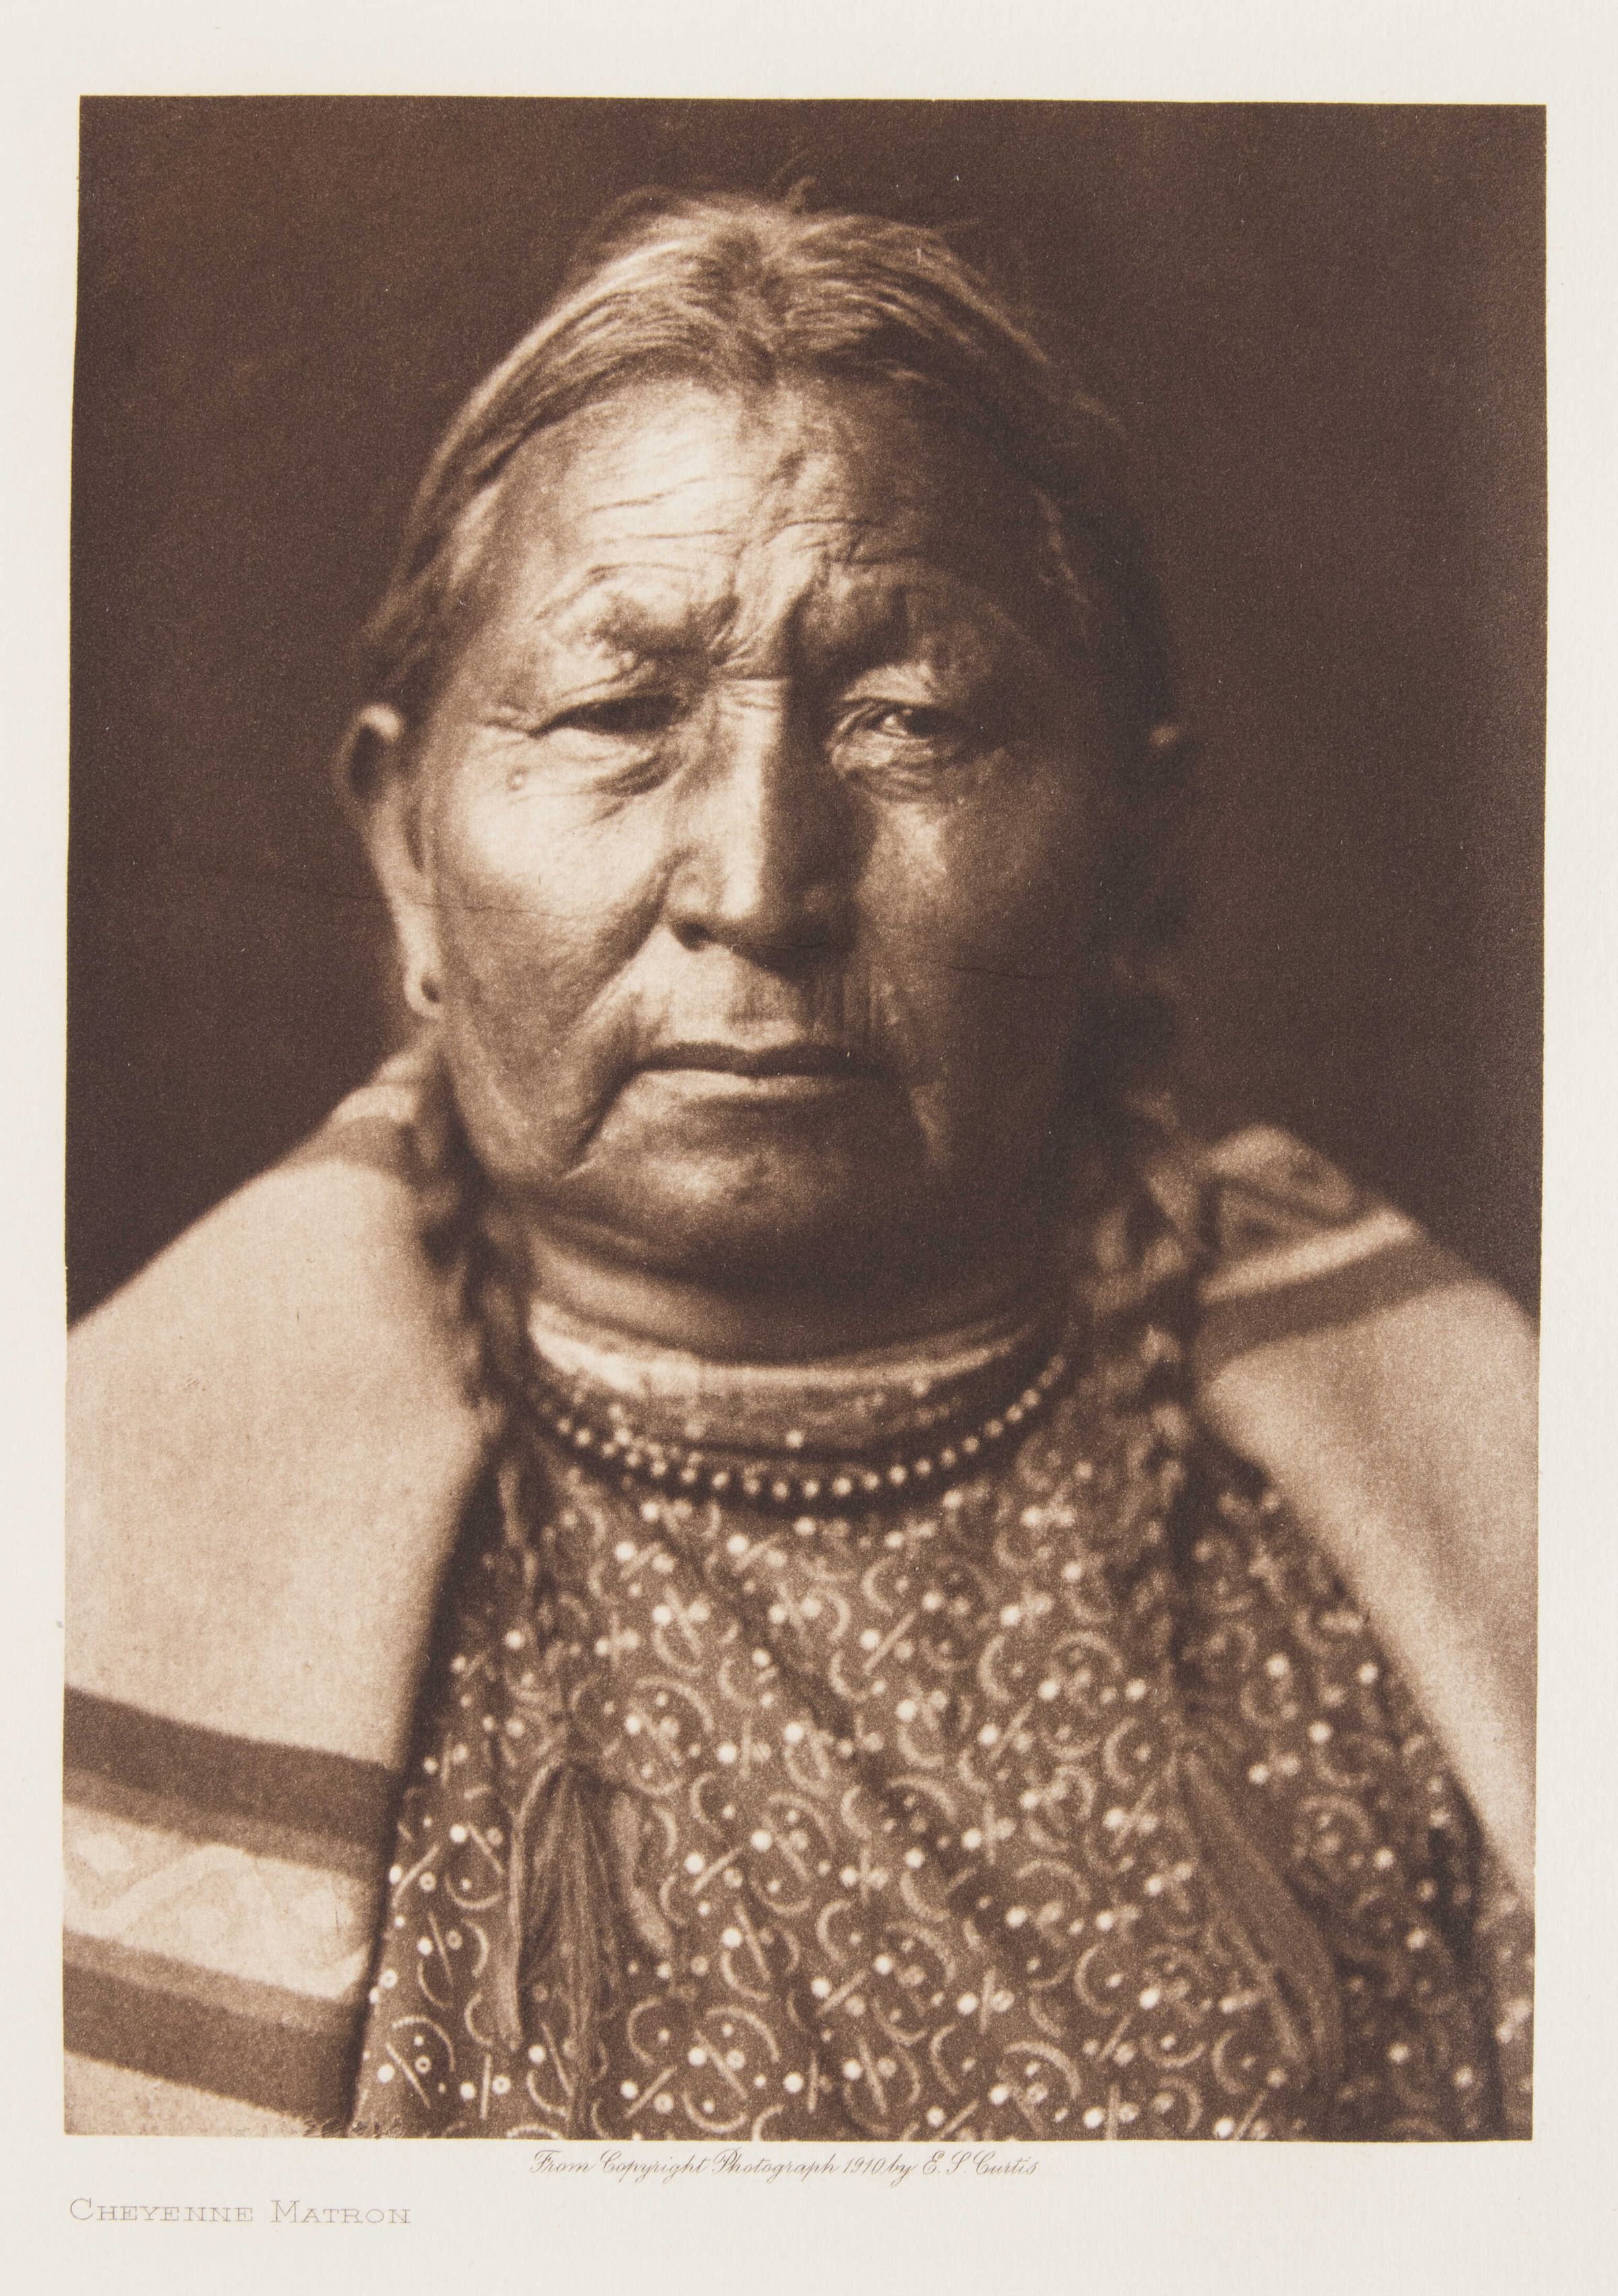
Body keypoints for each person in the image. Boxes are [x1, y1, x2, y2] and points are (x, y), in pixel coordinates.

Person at [64, 191, 1536, 2142]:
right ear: (408, 849)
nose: (760, 889)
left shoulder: (1479, 1536)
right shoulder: (77, 1555)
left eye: (909, 723)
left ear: (1138, 854)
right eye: (616, 713)